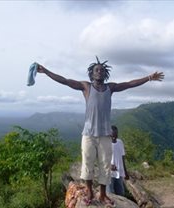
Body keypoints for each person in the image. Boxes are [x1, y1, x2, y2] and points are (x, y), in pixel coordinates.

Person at [36, 57, 164, 206]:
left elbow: (129, 84)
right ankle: (90, 191)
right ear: (91, 74)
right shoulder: (86, 87)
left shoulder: (111, 88)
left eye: (102, 70)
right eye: (96, 70)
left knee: (105, 165)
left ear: (105, 74)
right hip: (89, 134)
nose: (99, 72)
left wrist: (149, 78)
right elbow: (64, 80)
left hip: (105, 135)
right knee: (87, 164)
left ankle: (103, 194)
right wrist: (45, 71)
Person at [107, 125, 129, 196]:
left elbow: (122, 157)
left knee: (121, 193)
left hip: (119, 173)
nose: (114, 136)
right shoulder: (106, 145)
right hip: (109, 174)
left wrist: (125, 172)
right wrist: (110, 166)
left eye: (115, 134)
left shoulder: (120, 142)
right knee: (111, 194)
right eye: (112, 134)